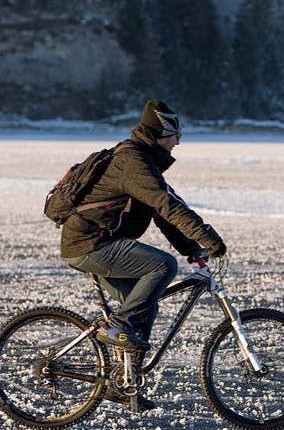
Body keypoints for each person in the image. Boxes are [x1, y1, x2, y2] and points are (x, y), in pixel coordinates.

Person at [60, 99, 226, 406]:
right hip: (91, 244)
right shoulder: (133, 162)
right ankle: (117, 326)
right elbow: (167, 204)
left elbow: (161, 213)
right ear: (160, 134)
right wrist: (209, 237)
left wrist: (192, 248)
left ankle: (123, 384)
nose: (178, 142)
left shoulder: (143, 162)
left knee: (145, 306)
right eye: (175, 135)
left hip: (100, 243)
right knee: (162, 266)